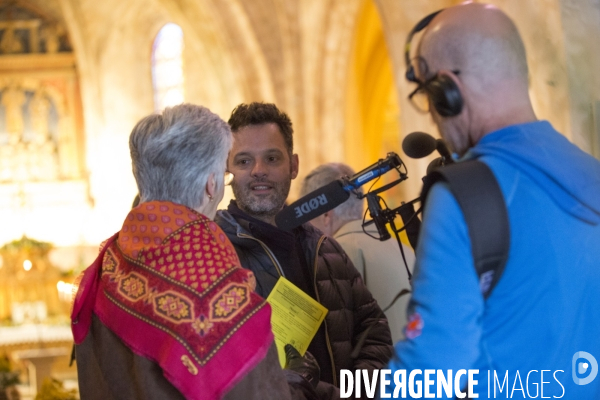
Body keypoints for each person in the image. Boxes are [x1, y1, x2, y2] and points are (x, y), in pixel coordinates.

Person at [387, 3, 600, 398]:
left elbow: (430, 373)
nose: (432, 116)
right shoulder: (592, 172)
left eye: (428, 96)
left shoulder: (464, 195)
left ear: (447, 90)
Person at [71, 104, 319, 400]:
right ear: (211, 184)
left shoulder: (108, 261)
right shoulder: (215, 288)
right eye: (225, 174)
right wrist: (294, 380)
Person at [214, 102, 393, 398]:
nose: (259, 171)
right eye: (244, 161)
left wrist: (352, 394)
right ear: (227, 169)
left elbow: (374, 331)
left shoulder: (326, 248)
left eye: (272, 158)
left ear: (293, 165)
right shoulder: (216, 255)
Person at [299, 163, 415, 343]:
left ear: (326, 214)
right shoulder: (404, 249)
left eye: (306, 219)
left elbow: (334, 338)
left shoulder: (336, 254)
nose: (305, 229)